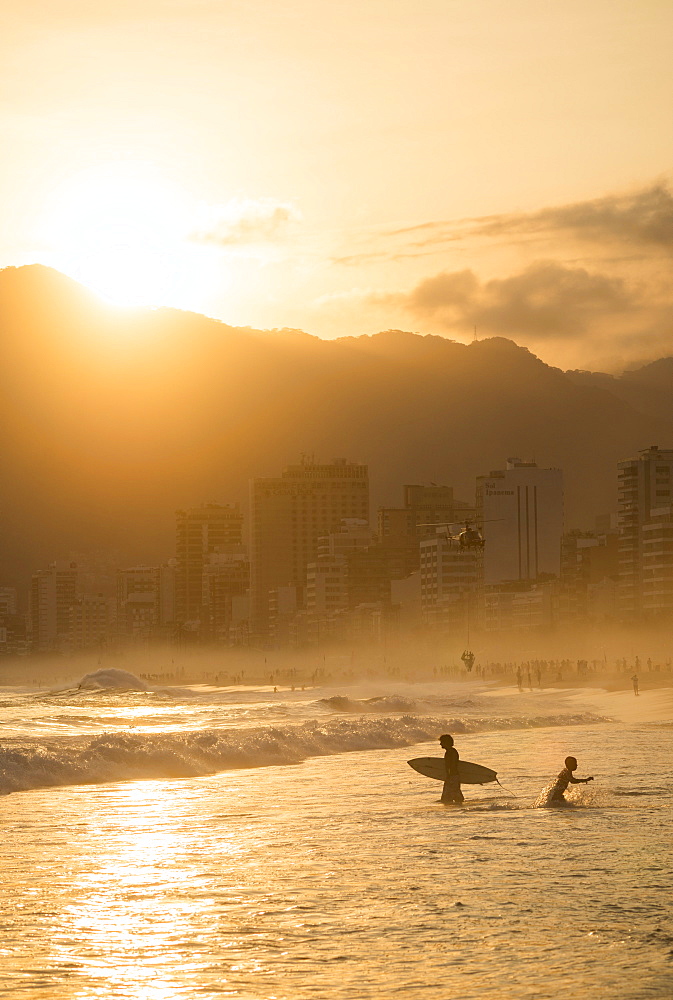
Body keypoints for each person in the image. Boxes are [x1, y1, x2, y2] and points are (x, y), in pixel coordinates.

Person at [439, 734, 464, 805]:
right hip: (453, 776)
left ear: (446, 742)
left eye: (442, 742)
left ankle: (455, 810)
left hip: (452, 776)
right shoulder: (451, 751)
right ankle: (457, 807)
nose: (440, 744)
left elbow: (452, 765)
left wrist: (449, 776)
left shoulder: (451, 752)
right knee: (454, 794)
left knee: (448, 797)